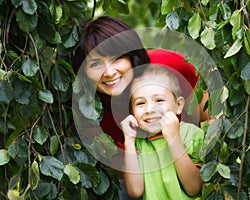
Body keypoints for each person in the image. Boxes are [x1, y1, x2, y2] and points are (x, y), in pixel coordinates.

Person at [72, 15, 208, 199]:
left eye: (117, 58)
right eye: (95, 64)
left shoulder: (168, 67)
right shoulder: (92, 114)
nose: (109, 72)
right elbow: (130, 184)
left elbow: (209, 113)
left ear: (132, 56)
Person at [121, 65, 204, 199]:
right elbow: (135, 191)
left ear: (178, 105)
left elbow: (193, 188)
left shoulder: (191, 134)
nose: (150, 109)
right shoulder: (137, 142)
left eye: (159, 100)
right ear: (132, 111)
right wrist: (129, 141)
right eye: (140, 103)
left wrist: (173, 138)